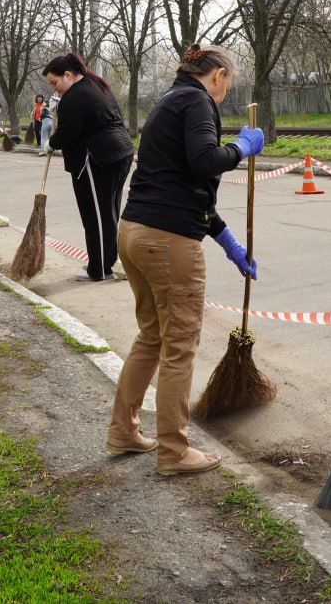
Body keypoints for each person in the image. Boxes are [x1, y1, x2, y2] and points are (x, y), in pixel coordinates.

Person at [107, 44, 262, 476]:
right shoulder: (197, 101)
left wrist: (227, 239)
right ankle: (173, 452)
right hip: (169, 242)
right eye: (227, 84)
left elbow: (180, 185)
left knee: (152, 337)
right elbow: (203, 162)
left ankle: (123, 431)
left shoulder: (169, 102)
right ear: (217, 76)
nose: (225, 92)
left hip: (134, 232)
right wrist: (241, 148)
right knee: (179, 348)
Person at [43, 52, 136, 281]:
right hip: (119, 153)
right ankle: (106, 262)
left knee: (95, 216)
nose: (55, 89)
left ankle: (99, 269)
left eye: (55, 83)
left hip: (97, 160)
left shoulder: (75, 96)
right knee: (109, 211)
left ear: (68, 75)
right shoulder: (96, 85)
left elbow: (69, 134)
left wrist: (51, 143)